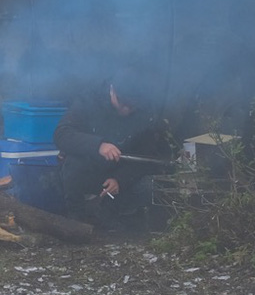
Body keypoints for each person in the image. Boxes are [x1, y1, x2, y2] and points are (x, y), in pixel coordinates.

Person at [53, 67, 171, 227]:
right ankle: (76, 218)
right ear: (113, 91)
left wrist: (120, 179)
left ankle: (111, 215)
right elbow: (62, 134)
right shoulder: (89, 100)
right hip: (88, 169)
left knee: (149, 186)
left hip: (120, 173)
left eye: (132, 107)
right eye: (123, 104)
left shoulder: (144, 111)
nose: (127, 111)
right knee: (73, 163)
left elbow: (145, 157)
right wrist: (98, 145)